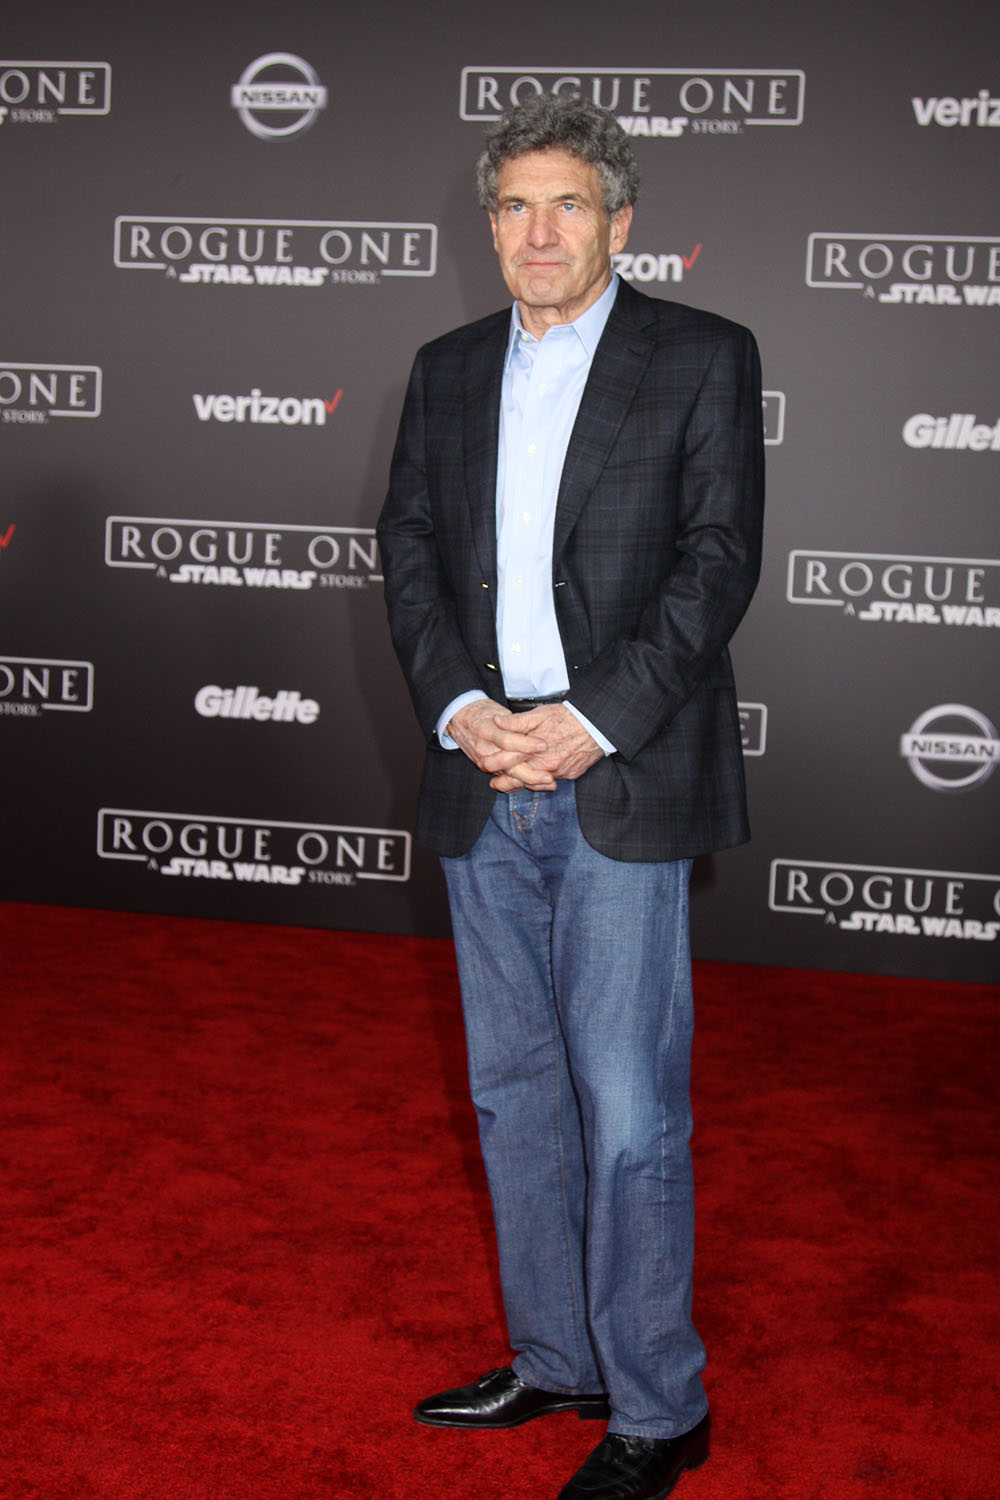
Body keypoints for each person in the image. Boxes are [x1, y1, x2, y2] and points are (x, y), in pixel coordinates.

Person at [376, 93, 764, 1500]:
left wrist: (588, 726)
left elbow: (717, 560)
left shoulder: (702, 355)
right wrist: (462, 710)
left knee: (628, 1101)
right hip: (480, 772)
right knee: (513, 1094)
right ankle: (557, 1359)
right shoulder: (445, 367)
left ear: (620, 221)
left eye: (569, 205)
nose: (539, 233)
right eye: (515, 207)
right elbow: (408, 547)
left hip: (621, 775)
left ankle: (659, 1406)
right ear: (490, 227)